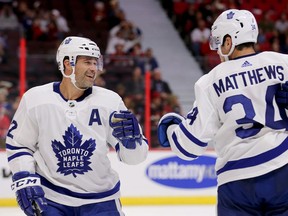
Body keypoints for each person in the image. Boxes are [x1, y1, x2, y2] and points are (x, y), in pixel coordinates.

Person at [157, 9, 288, 215]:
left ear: (229, 41)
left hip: (236, 182)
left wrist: (172, 129)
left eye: (219, 43)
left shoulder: (211, 81)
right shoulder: (283, 63)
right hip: (283, 168)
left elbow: (189, 147)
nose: (218, 50)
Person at [6, 36, 148, 216]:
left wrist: (133, 144)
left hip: (101, 200)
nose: (93, 69)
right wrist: (24, 176)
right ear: (67, 63)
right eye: (87, 62)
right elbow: (19, 144)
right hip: (52, 199)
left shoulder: (110, 101)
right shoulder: (35, 99)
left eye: (96, 63)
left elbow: (134, 159)